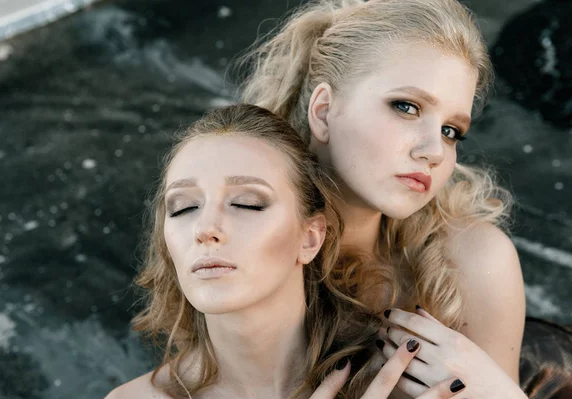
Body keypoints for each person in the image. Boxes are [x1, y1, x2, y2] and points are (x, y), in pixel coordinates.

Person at [237, 0, 572, 398]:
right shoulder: (230, 243)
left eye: (451, 130)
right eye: (407, 107)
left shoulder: (475, 260)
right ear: (324, 111)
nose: (434, 150)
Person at [104, 104, 468, 399]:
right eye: (183, 208)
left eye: (247, 204)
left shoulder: (401, 384)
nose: (205, 230)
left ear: (309, 238)